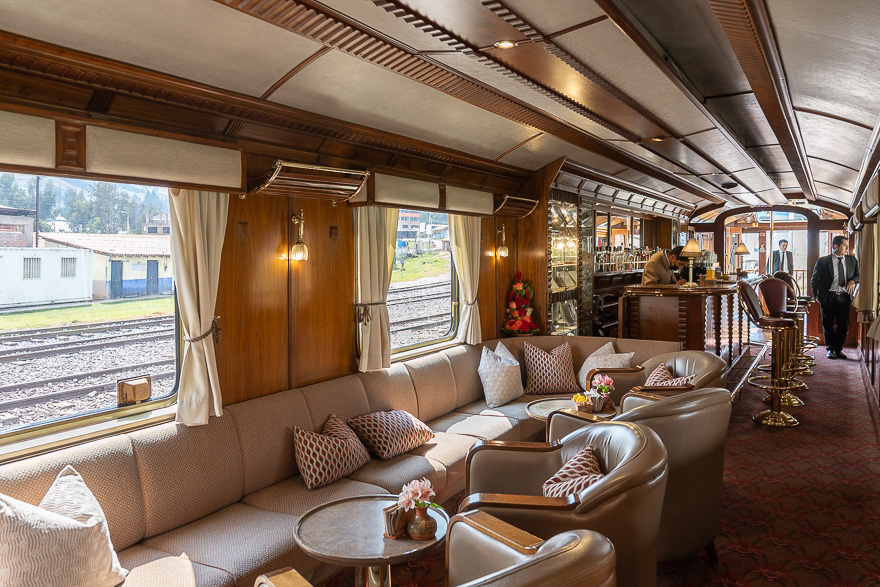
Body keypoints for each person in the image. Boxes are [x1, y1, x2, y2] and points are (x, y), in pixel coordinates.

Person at [810, 235, 859, 359]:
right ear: (836, 246)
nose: (847, 248)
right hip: (828, 296)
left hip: (844, 296)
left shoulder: (852, 260)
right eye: (844, 245)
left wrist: (853, 281)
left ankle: (838, 349)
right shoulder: (823, 261)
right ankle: (830, 349)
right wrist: (816, 296)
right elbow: (814, 279)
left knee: (843, 325)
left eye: (847, 245)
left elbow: (857, 275)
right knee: (828, 323)